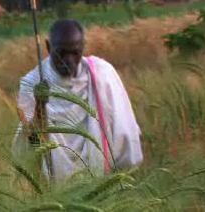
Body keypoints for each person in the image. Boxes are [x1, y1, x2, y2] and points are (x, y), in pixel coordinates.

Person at [12, 19, 143, 182]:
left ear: (83, 46)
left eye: (75, 53)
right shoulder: (33, 83)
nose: (68, 61)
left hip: (104, 184)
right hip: (55, 192)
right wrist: (40, 104)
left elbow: (124, 131)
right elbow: (32, 143)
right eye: (61, 53)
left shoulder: (102, 74)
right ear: (48, 47)